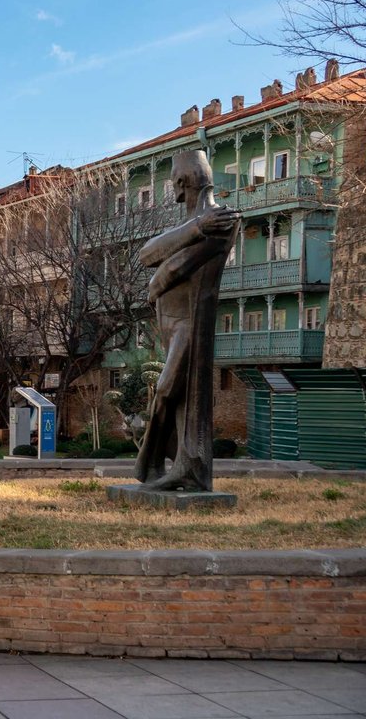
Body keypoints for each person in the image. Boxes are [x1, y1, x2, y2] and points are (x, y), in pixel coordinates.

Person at [135, 150, 240, 492]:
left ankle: (173, 465)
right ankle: (172, 465)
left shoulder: (222, 220)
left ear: (181, 182)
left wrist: (156, 283)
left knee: (168, 389)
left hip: (191, 322)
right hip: (172, 323)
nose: (174, 190)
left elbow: (174, 268)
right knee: (174, 395)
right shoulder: (197, 224)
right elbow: (147, 254)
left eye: (173, 183)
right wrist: (194, 228)